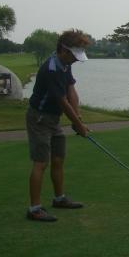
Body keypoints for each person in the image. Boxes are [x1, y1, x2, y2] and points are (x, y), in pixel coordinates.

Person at [26, 29, 91, 222]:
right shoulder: (52, 69)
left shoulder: (65, 64)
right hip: (39, 118)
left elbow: (71, 91)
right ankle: (34, 209)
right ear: (64, 50)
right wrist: (78, 125)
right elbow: (62, 101)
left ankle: (59, 198)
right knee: (41, 163)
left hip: (53, 119)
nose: (76, 60)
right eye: (74, 55)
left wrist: (78, 118)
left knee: (58, 159)